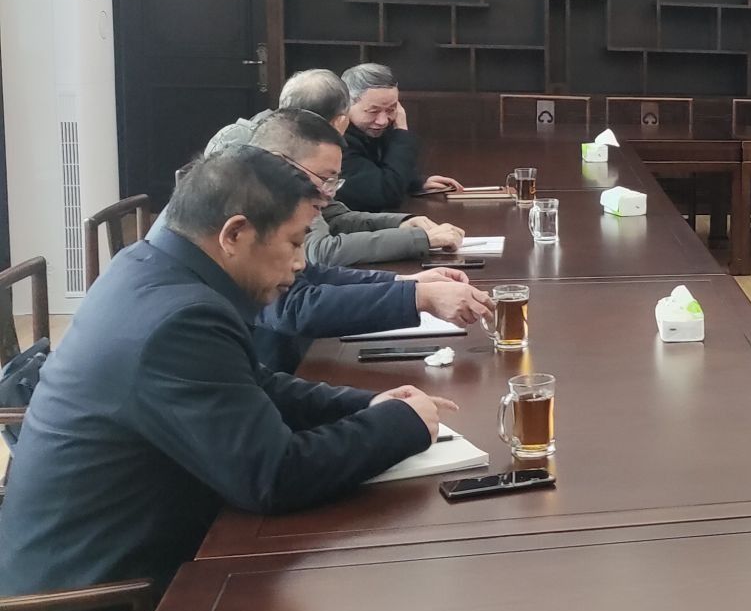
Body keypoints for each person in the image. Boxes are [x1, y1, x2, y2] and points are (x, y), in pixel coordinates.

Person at [0, 146, 451, 599]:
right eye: (294, 243)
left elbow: (252, 381)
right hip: (106, 592)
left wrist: (366, 404)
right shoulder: (180, 318)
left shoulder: (149, 265)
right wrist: (401, 425)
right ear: (235, 234)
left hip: (138, 552)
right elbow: (274, 477)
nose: (300, 263)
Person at [246, 109, 492, 372]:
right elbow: (294, 307)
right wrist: (418, 297)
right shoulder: (244, 212)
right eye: (324, 179)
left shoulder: (271, 204)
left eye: (334, 182)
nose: (328, 195)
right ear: (278, 163)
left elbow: (313, 273)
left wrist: (404, 282)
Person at [207, 68, 464, 266]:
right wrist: (421, 240)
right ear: (340, 121)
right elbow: (322, 251)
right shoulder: (276, 158)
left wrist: (401, 224)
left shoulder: (261, 132)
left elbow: (332, 216)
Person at [336, 63, 463, 210]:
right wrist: (401, 130)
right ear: (346, 105)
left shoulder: (374, 129)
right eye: (373, 111)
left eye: (391, 110)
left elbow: (381, 171)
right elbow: (386, 194)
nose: (383, 121)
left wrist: (416, 183)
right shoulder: (336, 142)